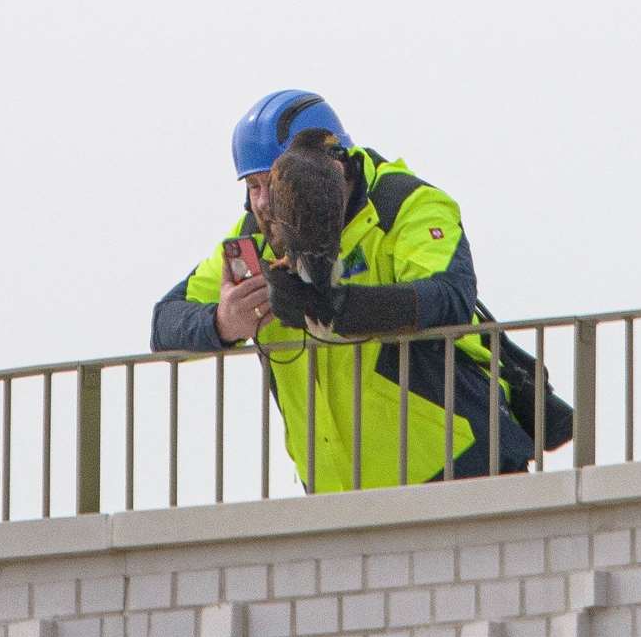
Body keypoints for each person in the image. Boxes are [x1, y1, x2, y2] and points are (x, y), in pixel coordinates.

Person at [150, 89, 533, 490]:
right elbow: (164, 323)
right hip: (336, 499)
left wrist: (338, 310)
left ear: (330, 167)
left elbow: (449, 298)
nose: (264, 203)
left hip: (462, 470)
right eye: (253, 186)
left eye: (276, 182)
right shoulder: (257, 237)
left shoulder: (405, 205)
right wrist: (223, 321)